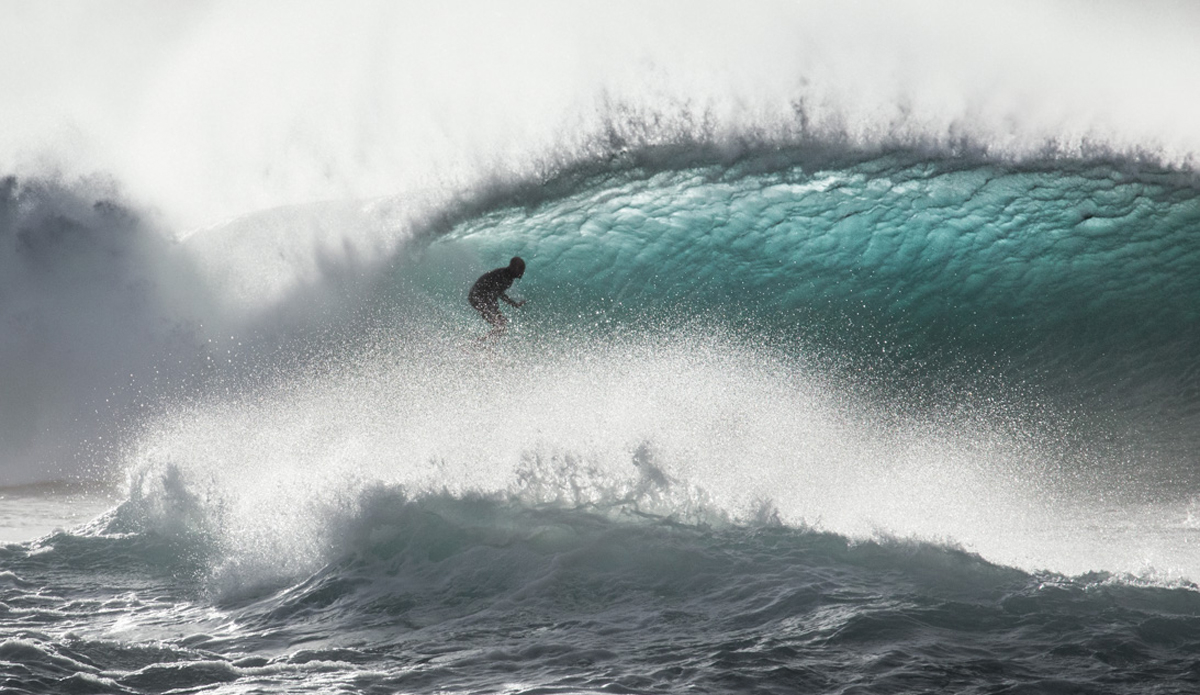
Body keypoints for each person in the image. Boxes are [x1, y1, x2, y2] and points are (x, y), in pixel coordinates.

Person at [468, 256, 526, 339]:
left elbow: (498, 293)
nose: (522, 272)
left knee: (501, 325)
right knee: (500, 324)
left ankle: (483, 344)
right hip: (477, 297)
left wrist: (514, 304)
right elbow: (494, 293)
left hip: (480, 297)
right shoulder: (503, 276)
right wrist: (495, 309)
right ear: (514, 268)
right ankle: (479, 344)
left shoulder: (507, 277)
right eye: (521, 269)